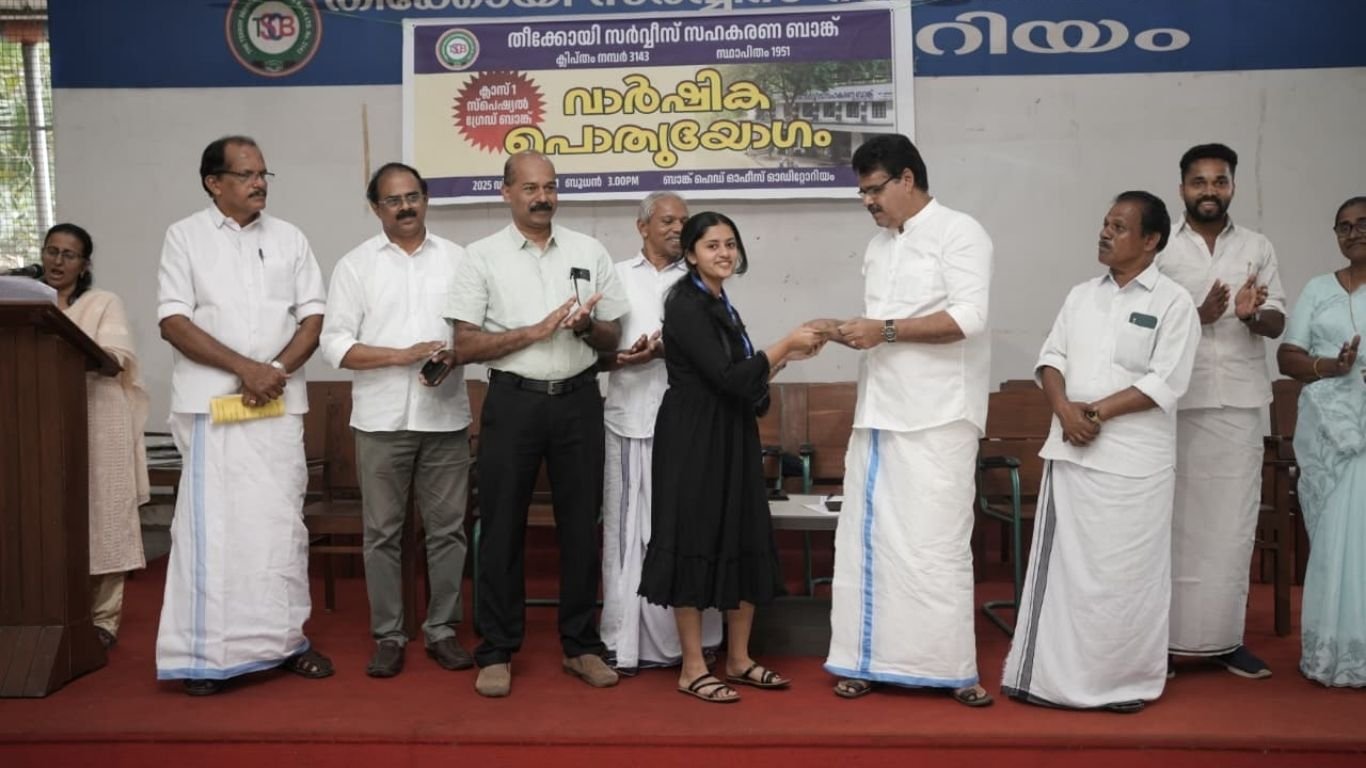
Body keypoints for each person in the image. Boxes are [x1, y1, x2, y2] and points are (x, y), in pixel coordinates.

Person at [1002, 192, 1200, 713]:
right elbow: (1051, 359)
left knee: (1127, 579)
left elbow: (1166, 381)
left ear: (1151, 240)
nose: (1105, 233)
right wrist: (1064, 409)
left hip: (1137, 466)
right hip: (1073, 456)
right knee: (1066, 576)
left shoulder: (1174, 302)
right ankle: (1048, 680)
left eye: (1119, 226)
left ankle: (1122, 684)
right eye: (1105, 223)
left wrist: (1096, 413)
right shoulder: (1081, 296)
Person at [817, 133, 994, 707]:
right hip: (880, 412)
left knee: (935, 548)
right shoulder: (878, 247)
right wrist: (847, 330)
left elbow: (968, 318)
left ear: (908, 180)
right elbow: (881, 327)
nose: (868, 201)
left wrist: (885, 330)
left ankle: (952, 669)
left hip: (938, 417)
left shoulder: (960, 232)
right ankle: (864, 660)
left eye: (874, 190)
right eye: (862, 193)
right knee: (869, 545)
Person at [446, 151, 630, 698]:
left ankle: (580, 645)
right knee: (501, 526)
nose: (542, 197)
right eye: (530, 188)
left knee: (581, 526)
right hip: (514, 402)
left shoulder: (588, 250)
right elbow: (464, 344)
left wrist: (586, 328)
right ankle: (497, 650)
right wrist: (533, 331)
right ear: (506, 192)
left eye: (549, 187)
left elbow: (613, 336)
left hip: (578, 401)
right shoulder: (481, 257)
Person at [154, 135, 332, 695]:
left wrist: (273, 371)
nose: (259, 184)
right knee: (214, 533)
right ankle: (204, 656)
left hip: (277, 406)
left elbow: (314, 318)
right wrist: (245, 369)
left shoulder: (290, 238)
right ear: (214, 183)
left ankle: (285, 642)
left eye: (263, 175)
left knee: (279, 529)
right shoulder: (185, 236)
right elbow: (173, 322)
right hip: (213, 410)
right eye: (247, 175)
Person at [638, 211, 824, 703]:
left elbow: (740, 377)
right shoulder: (684, 303)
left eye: (730, 244)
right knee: (693, 536)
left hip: (732, 432)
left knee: (743, 533)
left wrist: (782, 359)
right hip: (694, 438)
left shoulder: (720, 300)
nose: (724, 253)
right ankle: (692, 667)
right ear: (690, 253)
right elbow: (725, 376)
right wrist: (783, 344)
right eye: (712, 245)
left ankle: (739, 659)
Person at [320, 162, 474, 678]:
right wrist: (399, 356)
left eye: (412, 196)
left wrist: (453, 353)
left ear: (426, 199)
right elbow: (335, 345)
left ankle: (442, 629)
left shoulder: (459, 260)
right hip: (381, 421)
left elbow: (477, 330)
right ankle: (389, 635)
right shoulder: (355, 266)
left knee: (448, 532)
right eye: (393, 200)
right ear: (375, 208)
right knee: (382, 533)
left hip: (445, 418)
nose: (405, 207)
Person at [1157, 143, 1285, 679]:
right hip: (1175, 403)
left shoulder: (1257, 246)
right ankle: (1163, 644)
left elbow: (1277, 323)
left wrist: (1251, 316)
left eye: (1219, 181)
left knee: (1231, 526)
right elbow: (1140, 323)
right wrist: (1197, 315)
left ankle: (1226, 640)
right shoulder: (1160, 248)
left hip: (1238, 402)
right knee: (1173, 524)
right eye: (1199, 181)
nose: (1209, 190)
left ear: (1232, 186)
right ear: (1182, 187)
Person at [599, 192, 722, 674]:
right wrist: (623, 356)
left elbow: (722, 347)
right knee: (627, 534)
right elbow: (594, 351)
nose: (677, 228)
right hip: (630, 416)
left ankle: (692, 643)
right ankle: (623, 641)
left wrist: (671, 349)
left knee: (685, 527)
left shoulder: (700, 278)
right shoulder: (615, 275)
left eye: (683, 221)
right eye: (668, 220)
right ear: (642, 226)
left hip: (689, 424)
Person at [38, 223, 149, 650]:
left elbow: (115, 359)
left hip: (98, 417)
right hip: (39, 420)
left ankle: (103, 618)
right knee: (49, 513)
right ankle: (53, 609)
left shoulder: (102, 303)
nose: (57, 261)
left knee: (104, 512)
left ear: (84, 265)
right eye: (52, 251)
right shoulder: (26, 306)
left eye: (68, 255)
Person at [1276, 195, 1366, 688]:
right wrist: (1330, 366)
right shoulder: (1317, 288)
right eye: (1344, 226)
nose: (1354, 233)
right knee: (1335, 534)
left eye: (1363, 223)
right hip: (1331, 428)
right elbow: (1287, 357)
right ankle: (1333, 650)